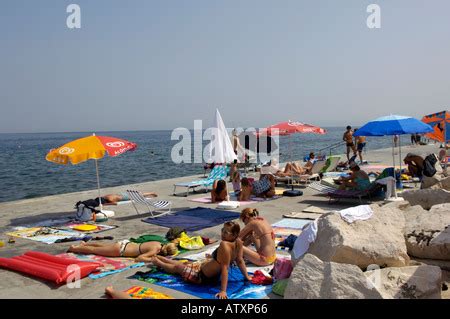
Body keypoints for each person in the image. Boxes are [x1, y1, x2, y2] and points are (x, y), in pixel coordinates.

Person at [150, 221, 252, 299]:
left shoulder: (225, 245)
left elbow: (225, 267)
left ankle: (158, 262)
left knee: (178, 267)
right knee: (184, 264)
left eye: (226, 232)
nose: (222, 233)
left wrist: (223, 291)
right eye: (222, 230)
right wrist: (247, 277)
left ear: (234, 235)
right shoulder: (238, 241)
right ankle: (161, 258)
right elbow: (239, 261)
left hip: (200, 277)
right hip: (201, 269)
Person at [68, 240, 178, 262]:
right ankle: (74, 248)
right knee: (95, 250)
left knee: (102, 246)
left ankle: (84, 244)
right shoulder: (155, 250)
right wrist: (153, 259)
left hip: (125, 243)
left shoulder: (158, 243)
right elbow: (140, 258)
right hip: (120, 250)